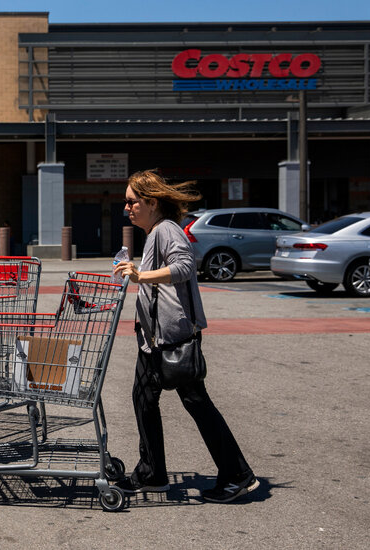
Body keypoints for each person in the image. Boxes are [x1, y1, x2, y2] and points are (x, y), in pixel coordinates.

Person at [112, 169, 258, 504]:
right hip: (155, 338)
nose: (127, 208)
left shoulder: (166, 229)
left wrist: (141, 275)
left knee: (195, 402)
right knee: (143, 398)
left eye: (132, 201)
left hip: (173, 337)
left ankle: (237, 474)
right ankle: (152, 473)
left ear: (151, 201)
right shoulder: (154, 234)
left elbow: (184, 266)